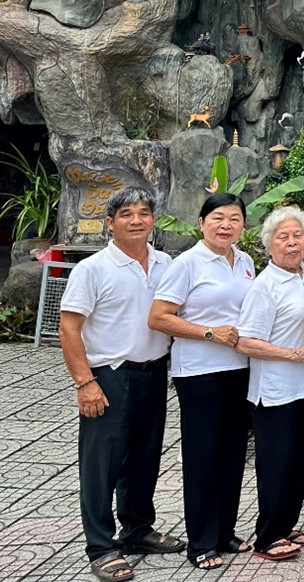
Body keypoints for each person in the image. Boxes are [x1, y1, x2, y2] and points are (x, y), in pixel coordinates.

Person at [60, 188, 185, 582]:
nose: (136, 220)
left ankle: (137, 529)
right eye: (127, 214)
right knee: (102, 465)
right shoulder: (92, 269)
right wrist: (85, 382)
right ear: (109, 222)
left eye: (144, 213)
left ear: (153, 220)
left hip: (154, 372)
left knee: (144, 458)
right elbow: (69, 327)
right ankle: (101, 546)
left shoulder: (166, 264)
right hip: (109, 376)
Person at [148, 193, 254, 570]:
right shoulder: (187, 264)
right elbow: (159, 317)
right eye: (218, 218)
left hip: (240, 369)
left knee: (232, 455)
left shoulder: (245, 261)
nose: (226, 225)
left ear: (243, 225)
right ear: (201, 223)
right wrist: (209, 332)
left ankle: (225, 532)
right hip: (199, 372)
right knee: (203, 456)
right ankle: (201, 542)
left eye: (234, 218)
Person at [236, 206, 304, 561]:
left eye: (297, 236)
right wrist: (294, 354)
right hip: (275, 392)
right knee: (276, 464)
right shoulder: (265, 285)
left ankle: (286, 526)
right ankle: (267, 536)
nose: (291, 243)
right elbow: (245, 342)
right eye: (283, 237)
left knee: (300, 463)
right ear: (269, 245)